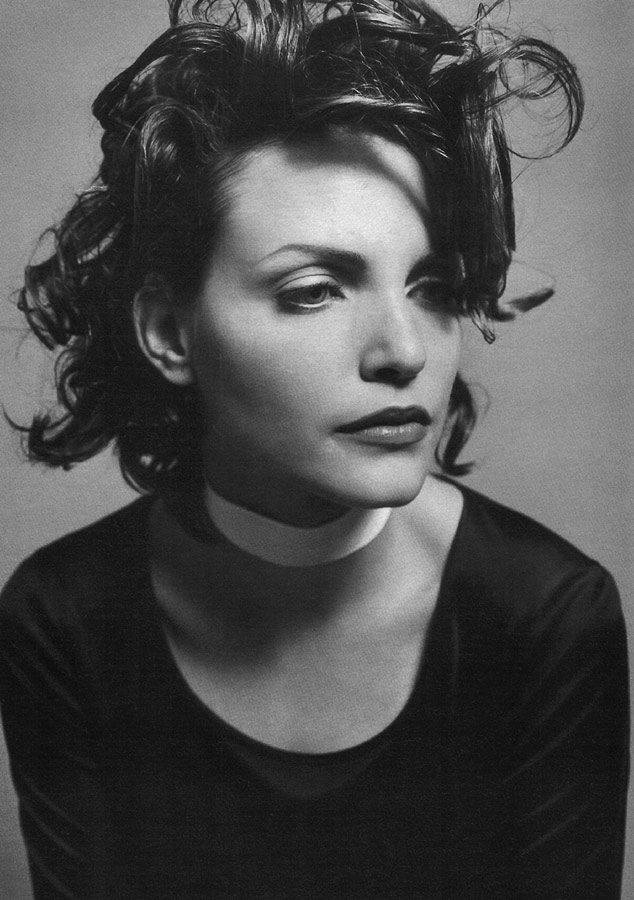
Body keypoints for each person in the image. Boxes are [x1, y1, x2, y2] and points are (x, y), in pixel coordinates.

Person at [0, 0, 628, 898]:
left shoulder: (546, 615)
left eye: (431, 286)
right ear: (170, 332)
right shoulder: (64, 618)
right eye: (314, 290)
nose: (403, 352)